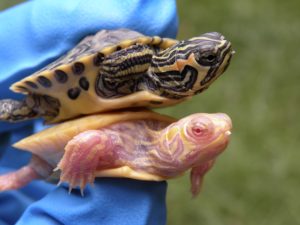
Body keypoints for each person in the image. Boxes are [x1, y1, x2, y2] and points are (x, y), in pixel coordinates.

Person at [0, 1, 178, 224]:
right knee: (18, 108)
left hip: (79, 107)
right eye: (207, 58)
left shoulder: (166, 85)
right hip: (65, 92)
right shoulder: (153, 67)